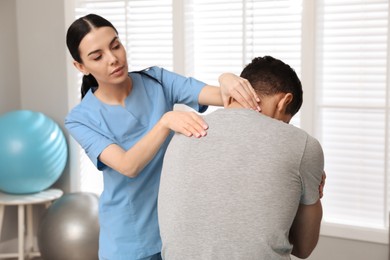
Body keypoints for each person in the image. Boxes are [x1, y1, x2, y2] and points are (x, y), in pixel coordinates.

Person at [64, 13, 261, 260]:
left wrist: (227, 78)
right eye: (97, 56)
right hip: (129, 240)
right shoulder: (80, 118)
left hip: (178, 229)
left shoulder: (157, 80)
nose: (113, 59)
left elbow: (225, 97)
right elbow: (128, 165)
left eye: (116, 45)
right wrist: (166, 121)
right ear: (80, 66)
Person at [158, 56, 325, 260]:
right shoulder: (302, 144)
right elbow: (303, 248)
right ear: (285, 101)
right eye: (286, 122)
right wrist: (313, 193)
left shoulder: (184, 131)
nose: (283, 128)